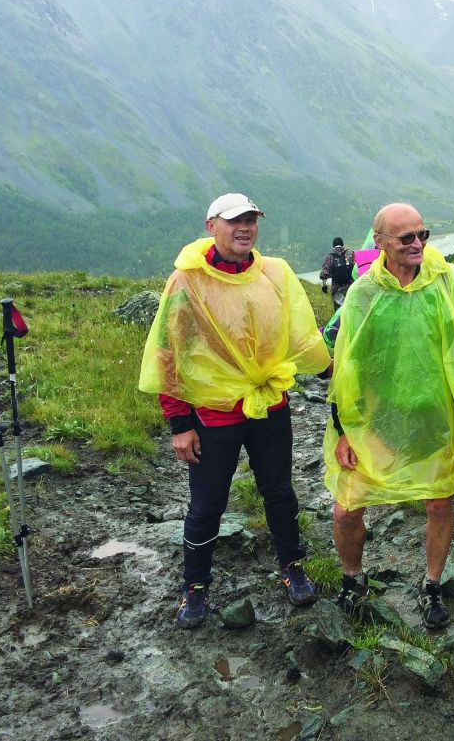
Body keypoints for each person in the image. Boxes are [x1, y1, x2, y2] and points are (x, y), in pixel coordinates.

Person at [139, 192, 332, 629]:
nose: (244, 228)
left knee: (279, 492)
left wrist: (329, 368)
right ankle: (195, 586)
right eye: (234, 221)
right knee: (208, 504)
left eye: (251, 220)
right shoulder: (187, 282)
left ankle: (292, 566)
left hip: (268, 405)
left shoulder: (274, 274)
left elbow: (299, 334)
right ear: (212, 226)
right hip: (213, 415)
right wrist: (180, 424)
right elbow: (169, 355)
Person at [324, 203, 454, 629]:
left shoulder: (448, 283)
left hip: (435, 419)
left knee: (439, 501)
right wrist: (344, 430)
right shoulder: (364, 294)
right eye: (406, 238)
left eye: (423, 234)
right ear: (380, 242)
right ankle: (352, 579)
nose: (418, 244)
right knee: (347, 509)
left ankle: (432, 584)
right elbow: (347, 366)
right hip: (377, 422)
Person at [319, 236, 355, 310]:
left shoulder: (330, 257)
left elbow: (324, 274)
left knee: (339, 311)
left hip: (337, 289)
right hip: (351, 287)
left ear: (333, 245)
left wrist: (324, 286)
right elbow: (357, 268)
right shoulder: (350, 253)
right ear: (342, 244)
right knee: (352, 308)